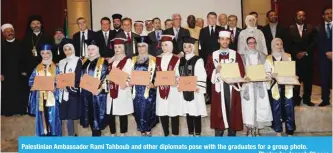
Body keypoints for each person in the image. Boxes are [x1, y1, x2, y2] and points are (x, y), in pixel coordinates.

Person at [206, 31, 245, 136]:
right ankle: (219, 136)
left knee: (232, 110)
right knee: (219, 111)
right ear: (218, 40)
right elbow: (209, 72)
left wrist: (237, 76)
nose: (224, 41)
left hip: (232, 87)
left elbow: (242, 71)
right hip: (219, 87)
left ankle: (231, 136)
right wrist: (216, 71)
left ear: (230, 41)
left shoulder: (235, 55)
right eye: (222, 39)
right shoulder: (213, 55)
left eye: (227, 39)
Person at [240, 37, 272, 136]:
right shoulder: (242, 57)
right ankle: (250, 128)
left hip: (260, 85)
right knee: (248, 107)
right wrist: (244, 76)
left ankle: (257, 129)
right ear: (246, 44)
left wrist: (267, 75)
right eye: (250, 43)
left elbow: (267, 70)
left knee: (259, 106)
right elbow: (240, 71)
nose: (252, 45)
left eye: (254, 43)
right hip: (248, 85)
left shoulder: (262, 56)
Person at [22, 15, 53, 116]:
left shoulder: (47, 37)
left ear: (41, 25)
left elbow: (51, 53)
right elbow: (23, 55)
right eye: (33, 24)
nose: (36, 25)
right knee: (33, 89)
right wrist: (24, 69)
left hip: (45, 67)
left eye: (38, 23)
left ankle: (46, 108)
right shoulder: (26, 38)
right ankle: (33, 109)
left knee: (45, 88)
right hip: (30, 68)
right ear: (30, 26)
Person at [28, 44, 61, 136]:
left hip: (52, 95)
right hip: (41, 95)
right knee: (42, 115)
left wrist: (55, 87)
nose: (45, 55)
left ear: (51, 54)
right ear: (41, 54)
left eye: (47, 53)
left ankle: (53, 134)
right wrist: (35, 84)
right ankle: (44, 133)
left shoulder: (56, 68)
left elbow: (60, 82)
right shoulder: (37, 68)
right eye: (43, 53)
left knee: (52, 116)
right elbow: (31, 81)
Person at [266, 38, 295, 136]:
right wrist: (271, 75)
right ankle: (278, 130)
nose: (279, 46)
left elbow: (291, 69)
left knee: (289, 108)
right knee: (276, 108)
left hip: (287, 85)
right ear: (273, 46)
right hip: (275, 86)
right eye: (277, 44)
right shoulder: (268, 58)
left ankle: (290, 130)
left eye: (281, 44)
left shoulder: (288, 56)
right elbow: (266, 73)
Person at [286, 10, 316, 106]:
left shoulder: (311, 28)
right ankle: (296, 100)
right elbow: (288, 44)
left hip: (307, 59)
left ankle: (307, 99)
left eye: (303, 16)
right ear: (295, 17)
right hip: (295, 60)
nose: (301, 17)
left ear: (305, 17)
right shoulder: (290, 29)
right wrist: (296, 54)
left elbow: (313, 43)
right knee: (296, 81)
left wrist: (305, 52)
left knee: (308, 81)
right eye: (299, 16)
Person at [156, 35, 183, 136]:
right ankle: (166, 134)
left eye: (166, 45)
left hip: (173, 89)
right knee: (163, 112)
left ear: (171, 45)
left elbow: (179, 73)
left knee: (173, 112)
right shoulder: (157, 59)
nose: (164, 47)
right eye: (162, 45)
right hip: (161, 88)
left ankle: (175, 135)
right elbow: (156, 74)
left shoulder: (176, 59)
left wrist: (177, 80)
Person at [179, 36, 207, 136]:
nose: (187, 49)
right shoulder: (181, 60)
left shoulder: (198, 59)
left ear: (193, 47)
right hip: (185, 90)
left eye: (189, 47)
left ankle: (198, 133)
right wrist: (178, 83)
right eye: (185, 47)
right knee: (188, 112)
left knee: (196, 111)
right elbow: (179, 74)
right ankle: (191, 133)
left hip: (196, 90)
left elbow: (202, 74)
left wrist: (198, 86)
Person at [80, 41, 109, 136]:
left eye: (93, 49)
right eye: (89, 49)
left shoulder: (103, 61)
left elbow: (106, 77)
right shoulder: (85, 62)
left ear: (97, 50)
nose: (90, 51)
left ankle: (97, 139)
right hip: (86, 93)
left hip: (97, 94)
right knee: (90, 116)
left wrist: (100, 90)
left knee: (97, 118)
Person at [105, 38, 133, 136]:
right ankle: (112, 133)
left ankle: (123, 133)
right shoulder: (111, 61)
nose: (117, 49)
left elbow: (129, 75)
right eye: (115, 47)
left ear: (123, 48)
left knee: (123, 112)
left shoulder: (128, 60)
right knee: (111, 112)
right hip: (111, 88)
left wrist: (125, 84)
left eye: (119, 47)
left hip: (122, 89)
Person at [132, 36, 159, 136]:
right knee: (138, 112)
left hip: (148, 91)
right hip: (136, 91)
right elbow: (128, 74)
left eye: (143, 46)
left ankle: (148, 131)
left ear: (147, 47)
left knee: (148, 112)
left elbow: (158, 75)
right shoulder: (133, 60)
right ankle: (142, 132)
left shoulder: (154, 60)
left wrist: (153, 84)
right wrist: (129, 81)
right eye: (139, 46)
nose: (141, 48)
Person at [1, 23, 26, 116]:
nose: (9, 33)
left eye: (11, 31)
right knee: (7, 93)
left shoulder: (21, 44)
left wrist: (24, 70)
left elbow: (25, 59)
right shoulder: (1, 45)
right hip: (6, 74)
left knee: (20, 91)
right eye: (7, 32)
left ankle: (20, 110)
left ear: (14, 32)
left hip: (19, 73)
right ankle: (8, 111)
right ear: (3, 34)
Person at [199, 12, 223, 104]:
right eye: (210, 18)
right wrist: (202, 60)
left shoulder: (221, 29)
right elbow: (201, 47)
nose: (212, 20)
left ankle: (219, 96)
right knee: (209, 78)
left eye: (214, 18)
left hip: (219, 58)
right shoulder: (203, 31)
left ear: (216, 19)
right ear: (207, 19)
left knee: (219, 77)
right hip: (207, 59)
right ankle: (209, 97)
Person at [58, 43, 82, 136]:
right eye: (65, 49)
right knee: (66, 116)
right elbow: (60, 74)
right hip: (62, 92)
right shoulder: (61, 61)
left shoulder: (77, 60)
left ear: (73, 50)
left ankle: (72, 135)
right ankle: (70, 135)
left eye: (69, 49)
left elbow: (77, 76)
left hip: (72, 91)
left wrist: (68, 88)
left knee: (71, 115)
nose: (67, 51)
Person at [315, 7, 332, 107]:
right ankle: (325, 99)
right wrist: (327, 52)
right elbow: (317, 43)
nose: (330, 15)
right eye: (327, 13)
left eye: (331, 13)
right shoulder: (317, 28)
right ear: (323, 16)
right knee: (324, 79)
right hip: (323, 57)